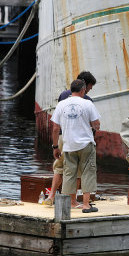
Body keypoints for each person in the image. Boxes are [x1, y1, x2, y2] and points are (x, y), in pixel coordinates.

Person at [44, 71, 97, 208]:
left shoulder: (63, 96)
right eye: (90, 87)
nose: (89, 90)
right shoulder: (87, 100)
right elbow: (95, 124)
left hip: (63, 138)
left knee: (61, 169)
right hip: (81, 141)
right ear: (85, 86)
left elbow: (55, 126)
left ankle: (52, 196)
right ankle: (77, 202)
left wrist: (55, 146)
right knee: (81, 171)